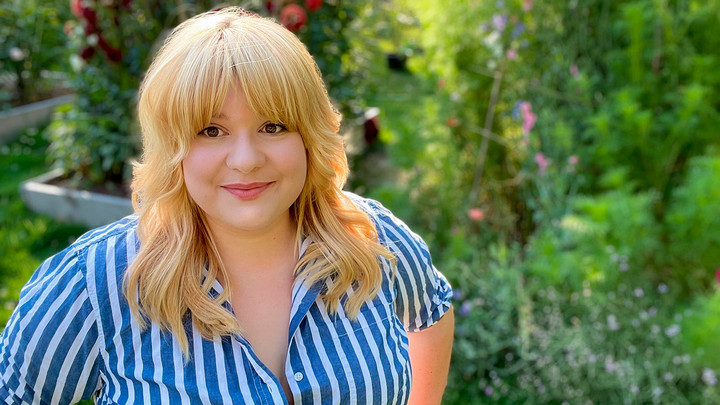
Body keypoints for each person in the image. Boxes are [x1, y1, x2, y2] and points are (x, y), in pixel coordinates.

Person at [0, 7, 454, 404]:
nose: (246, 160)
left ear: (310, 137)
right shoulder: (94, 283)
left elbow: (432, 309)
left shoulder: (373, 237)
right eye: (210, 131)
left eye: (273, 126)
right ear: (173, 146)